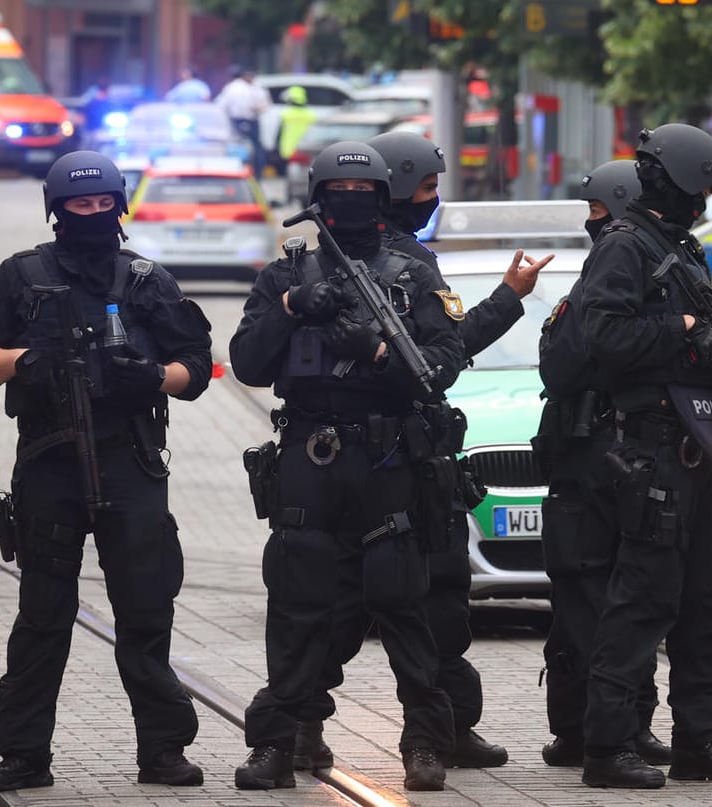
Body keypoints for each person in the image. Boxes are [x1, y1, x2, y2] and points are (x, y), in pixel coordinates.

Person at [286, 130, 550, 774]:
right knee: (389, 600)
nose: (433, 200)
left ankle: (439, 728)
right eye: (428, 188)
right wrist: (508, 300)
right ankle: (308, 723)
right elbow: (447, 355)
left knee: (436, 598)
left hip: (410, 456)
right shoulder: (386, 261)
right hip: (384, 461)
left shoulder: (403, 257)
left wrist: (507, 297)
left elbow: (443, 350)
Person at [0, 151, 213, 792]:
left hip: (130, 462)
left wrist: (154, 376)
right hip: (51, 463)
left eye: (105, 204)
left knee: (145, 612)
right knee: (43, 615)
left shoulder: (146, 279)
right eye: (81, 205)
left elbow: (197, 367)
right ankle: (23, 754)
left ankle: (162, 751)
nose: (94, 215)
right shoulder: (21, 277)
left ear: (120, 206)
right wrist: (23, 361)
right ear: (56, 210)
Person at [229, 140, 463, 792]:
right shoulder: (286, 275)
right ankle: (278, 740)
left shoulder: (412, 271)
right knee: (298, 599)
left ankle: (424, 740)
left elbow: (444, 360)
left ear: (382, 197)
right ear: (319, 198)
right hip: (309, 455)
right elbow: (246, 361)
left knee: (400, 595)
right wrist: (290, 311)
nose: (351, 206)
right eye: (340, 195)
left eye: (364, 196)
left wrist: (380, 350)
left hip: (387, 454)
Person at [576, 124, 712, 789]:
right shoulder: (625, 249)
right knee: (641, 602)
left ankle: (701, 740)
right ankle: (608, 747)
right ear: (673, 184)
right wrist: (684, 328)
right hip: (649, 449)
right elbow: (602, 335)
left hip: (698, 449)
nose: (705, 205)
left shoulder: (680, 250)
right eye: (701, 192)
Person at [534, 158, 673, 773]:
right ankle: (583, 732)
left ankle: (626, 726)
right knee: (589, 606)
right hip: (588, 464)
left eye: (599, 213)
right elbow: (565, 368)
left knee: (626, 603)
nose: (593, 226)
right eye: (590, 216)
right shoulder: (596, 290)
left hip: (619, 463)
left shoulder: (643, 279)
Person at [215, 66, 271, 178]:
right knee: (255, 148)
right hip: (249, 121)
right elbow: (265, 105)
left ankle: (242, 172)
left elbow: (220, 106)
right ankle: (257, 175)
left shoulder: (232, 87)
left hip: (238, 121)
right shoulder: (253, 88)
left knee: (238, 147)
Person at [275, 86, 318, 168]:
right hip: (306, 149)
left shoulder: (286, 114)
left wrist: (276, 148)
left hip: (288, 150)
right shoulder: (310, 115)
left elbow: (279, 134)